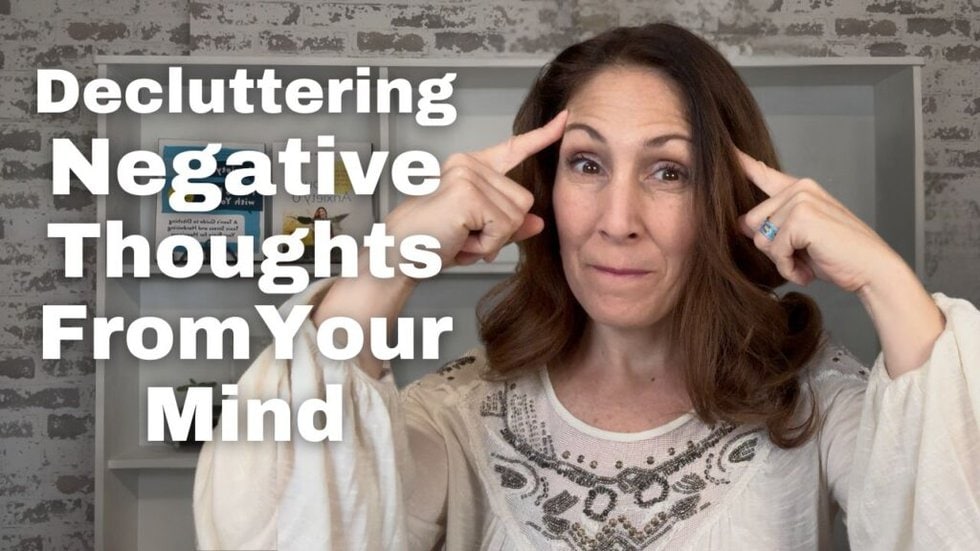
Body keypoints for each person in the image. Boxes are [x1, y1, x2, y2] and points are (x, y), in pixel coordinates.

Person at [193, 23, 980, 550]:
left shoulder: (809, 402)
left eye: (668, 172)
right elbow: (277, 524)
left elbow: (949, 514)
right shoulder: (458, 416)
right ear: (545, 186)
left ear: (722, 198)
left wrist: (884, 275)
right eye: (588, 164)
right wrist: (389, 255)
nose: (617, 219)